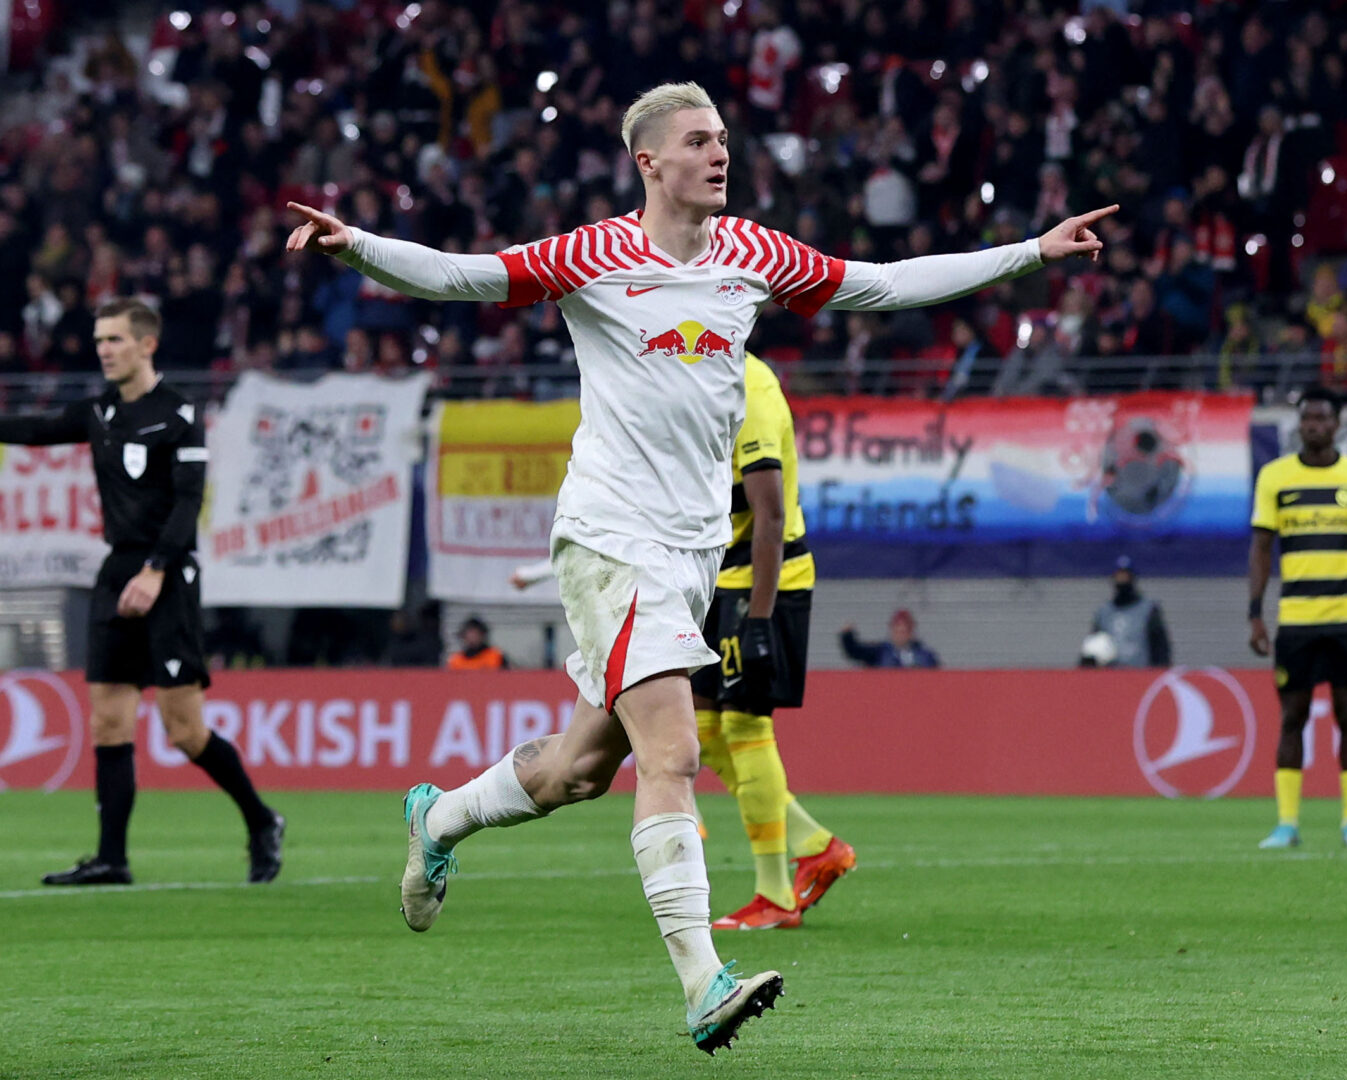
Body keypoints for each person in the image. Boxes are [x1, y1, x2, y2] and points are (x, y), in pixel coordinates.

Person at [287, 81, 1114, 1053]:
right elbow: (465, 276)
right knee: (673, 755)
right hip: (609, 539)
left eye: (724, 138)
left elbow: (884, 284)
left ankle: (440, 818)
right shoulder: (592, 255)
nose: (720, 153)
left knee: (576, 773)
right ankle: (701, 981)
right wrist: (360, 249)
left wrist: (1030, 252)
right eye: (698, 140)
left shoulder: (754, 256)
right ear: (649, 162)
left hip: (690, 557)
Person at [0, 298, 285, 886]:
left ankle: (262, 820)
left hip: (169, 575)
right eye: (100, 341)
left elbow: (189, 500)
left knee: (184, 731)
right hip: (117, 572)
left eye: (114, 339)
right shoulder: (100, 411)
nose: (104, 350)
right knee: (109, 723)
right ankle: (113, 858)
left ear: (146, 344)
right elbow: (38, 429)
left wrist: (157, 570)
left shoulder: (180, 413)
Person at [690, 353, 857, 932]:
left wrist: (758, 618)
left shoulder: (752, 388)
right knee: (701, 728)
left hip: (766, 579)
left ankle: (776, 895)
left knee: (744, 726)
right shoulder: (692, 370)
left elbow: (769, 512)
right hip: (718, 578)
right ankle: (814, 843)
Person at [1248, 385, 1347, 851]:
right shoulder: (1275, 477)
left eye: (1322, 418)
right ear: (1298, 425)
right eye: (1306, 418)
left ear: (1337, 425)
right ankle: (1287, 824)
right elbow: (1262, 549)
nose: (1313, 425)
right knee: (1293, 715)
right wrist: (1255, 613)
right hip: (1296, 618)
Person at [1090, 557, 1172, 668]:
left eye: (1126, 576)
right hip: (1110, 677)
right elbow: (1093, 649)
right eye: (1119, 576)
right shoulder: (1104, 613)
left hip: (1140, 675)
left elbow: (1160, 647)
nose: (1122, 580)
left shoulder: (1148, 610)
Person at [840, 610, 942, 668]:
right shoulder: (879, 652)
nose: (900, 635)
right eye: (897, 631)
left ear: (911, 633)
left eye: (904, 631)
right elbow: (854, 652)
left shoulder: (925, 655)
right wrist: (847, 636)